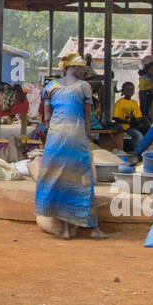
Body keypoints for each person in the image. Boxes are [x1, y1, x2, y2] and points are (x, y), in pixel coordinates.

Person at [35, 52, 106, 240]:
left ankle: (66, 229)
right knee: (83, 181)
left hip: (55, 139)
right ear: (75, 68)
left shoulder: (50, 88)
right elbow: (88, 117)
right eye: (83, 68)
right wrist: (88, 136)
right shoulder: (84, 87)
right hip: (75, 137)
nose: (84, 71)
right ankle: (93, 228)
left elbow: (47, 119)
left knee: (59, 180)